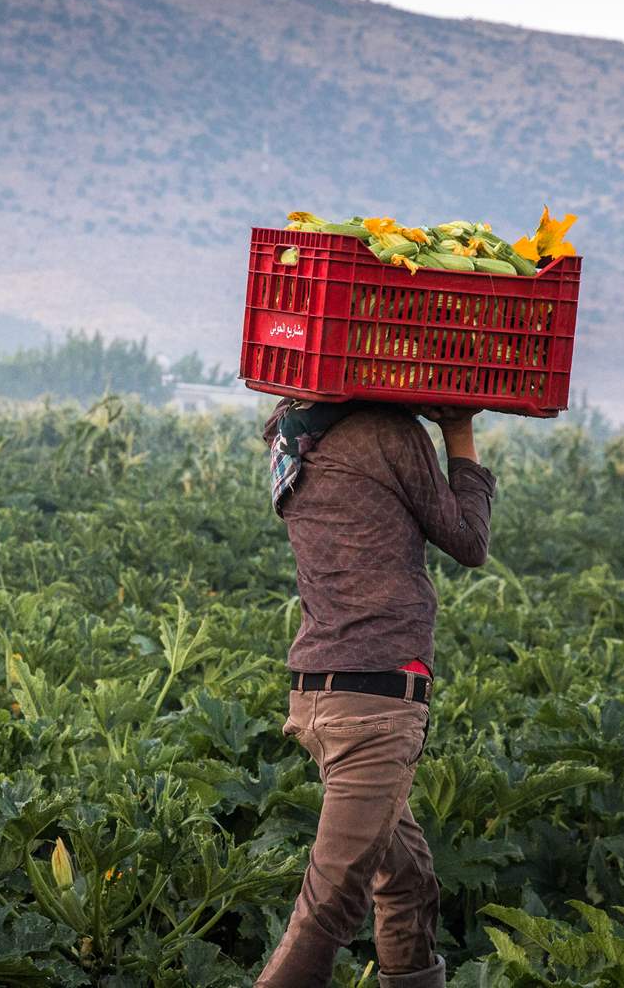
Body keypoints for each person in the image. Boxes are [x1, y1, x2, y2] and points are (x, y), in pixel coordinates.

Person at [254, 397, 497, 988]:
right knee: (329, 908)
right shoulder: (389, 434)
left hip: (318, 693)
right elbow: (469, 541)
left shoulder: (291, 436)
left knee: (407, 880)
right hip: (376, 701)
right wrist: (460, 434)